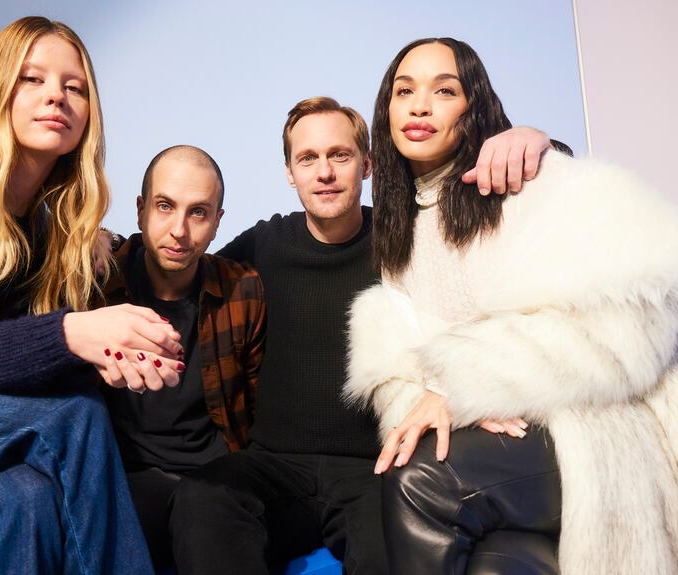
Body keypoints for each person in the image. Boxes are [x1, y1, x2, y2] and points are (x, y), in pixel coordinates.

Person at [168, 95, 556, 574]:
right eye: (307, 159)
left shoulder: (405, 236)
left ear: (367, 164)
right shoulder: (264, 243)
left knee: (399, 541)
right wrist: (108, 245)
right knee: (203, 498)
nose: (324, 172)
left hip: (374, 468)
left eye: (340, 155)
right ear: (289, 172)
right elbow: (181, 267)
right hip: (275, 465)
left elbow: (501, 262)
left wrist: (539, 140)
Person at [346, 37, 678, 575]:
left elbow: (631, 318)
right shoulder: (398, 234)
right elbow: (412, 361)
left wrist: (467, 384)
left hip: (590, 433)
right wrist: (467, 400)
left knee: (419, 479)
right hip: (502, 443)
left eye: (444, 91)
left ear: (473, 106)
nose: (420, 106)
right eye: (404, 91)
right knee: (495, 566)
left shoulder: (525, 177)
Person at [0, 16, 183, 575]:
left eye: (75, 87)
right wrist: (74, 334)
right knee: (72, 417)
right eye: (32, 78)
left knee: (19, 501)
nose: (56, 96)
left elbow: (2, 362)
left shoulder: (47, 231)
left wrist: (106, 358)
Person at [101, 145, 265, 568]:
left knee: (208, 514)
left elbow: (259, 409)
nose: (179, 230)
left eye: (198, 213)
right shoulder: (97, 285)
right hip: (129, 475)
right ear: (140, 210)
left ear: (217, 223)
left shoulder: (242, 290)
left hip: (216, 477)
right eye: (164, 206)